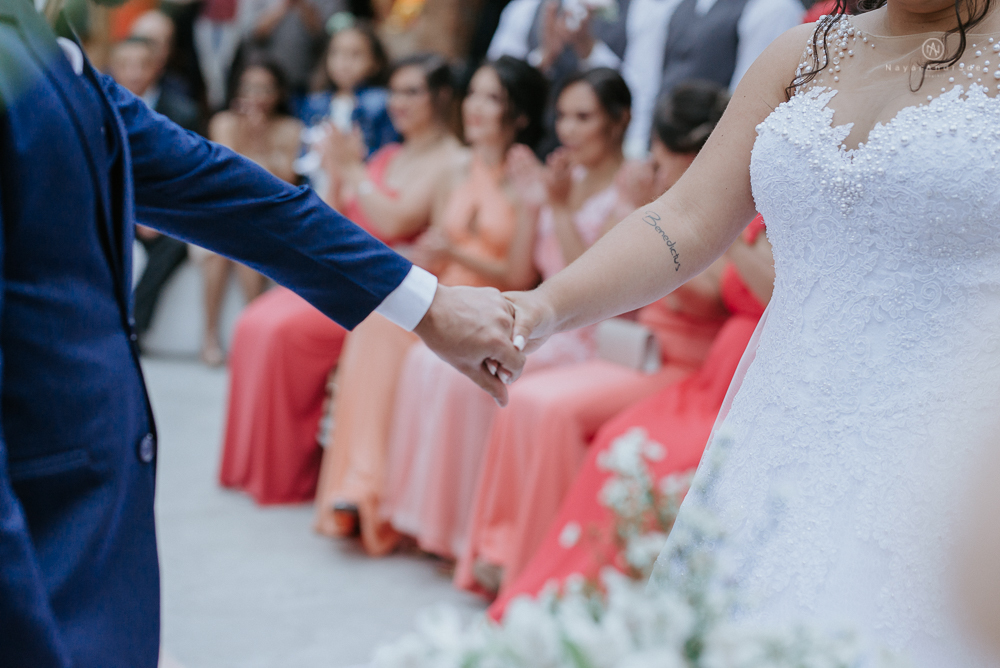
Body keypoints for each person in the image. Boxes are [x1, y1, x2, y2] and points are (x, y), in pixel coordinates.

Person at [0, 0, 521, 663]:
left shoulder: (46, 43)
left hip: (91, 549)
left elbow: (215, 186)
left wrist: (427, 306)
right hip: (41, 563)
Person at [502, 0, 1000, 663]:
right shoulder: (800, 54)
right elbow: (683, 218)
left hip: (951, 446)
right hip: (781, 427)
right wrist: (541, 307)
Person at [456, 80, 732, 594]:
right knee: (530, 398)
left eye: (670, 160)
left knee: (550, 405)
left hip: (678, 363)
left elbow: (690, 295)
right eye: (657, 157)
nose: (661, 170)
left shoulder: (714, 215)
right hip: (634, 350)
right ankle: (502, 548)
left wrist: (644, 213)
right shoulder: (657, 198)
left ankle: (538, 564)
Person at [378, 67, 634, 561]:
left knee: (468, 369)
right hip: (543, 314)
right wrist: (540, 204)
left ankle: (472, 536)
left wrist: (553, 208)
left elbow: (595, 277)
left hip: (588, 332)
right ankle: (432, 524)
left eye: (584, 117)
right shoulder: (561, 176)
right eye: (562, 116)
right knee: (426, 360)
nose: (569, 130)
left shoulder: (628, 187)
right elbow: (529, 267)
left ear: (618, 122)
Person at [312, 56, 548, 555]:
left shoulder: (526, 176)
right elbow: (432, 246)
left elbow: (520, 276)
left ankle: (376, 489)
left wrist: (453, 252)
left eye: (493, 99)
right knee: (376, 320)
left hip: (493, 300)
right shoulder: (457, 169)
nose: (477, 108)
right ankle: (361, 486)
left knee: (395, 334)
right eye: (475, 95)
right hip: (446, 288)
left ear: (519, 114)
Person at [490, 214, 771, 617]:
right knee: (617, 438)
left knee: (661, 458)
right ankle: (559, 584)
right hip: (713, 375)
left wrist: (726, 237)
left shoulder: (745, 233)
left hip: (744, 380)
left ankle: (608, 600)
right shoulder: (750, 226)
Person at [218, 53, 465, 504]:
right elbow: (339, 219)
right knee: (253, 322)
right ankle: (255, 469)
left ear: (442, 98)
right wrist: (336, 174)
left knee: (280, 333)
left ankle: (290, 475)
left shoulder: (452, 161)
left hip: (384, 289)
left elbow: (396, 221)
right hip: (344, 274)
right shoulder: (388, 154)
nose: (398, 102)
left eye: (412, 91)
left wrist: (352, 171)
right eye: (394, 91)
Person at [196, 61, 302, 365]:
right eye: (249, 88)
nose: (256, 95)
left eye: (264, 88)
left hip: (266, 214)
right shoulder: (224, 122)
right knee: (216, 250)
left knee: (248, 247)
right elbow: (224, 175)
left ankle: (253, 335)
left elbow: (285, 183)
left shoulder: (291, 128)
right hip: (221, 210)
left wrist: (259, 142)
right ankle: (210, 336)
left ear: (278, 93)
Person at [298, 18, 397, 164]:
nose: (343, 62)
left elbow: (386, 154)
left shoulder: (380, 102)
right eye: (336, 53)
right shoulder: (315, 103)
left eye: (355, 54)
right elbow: (304, 155)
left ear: (376, 62)